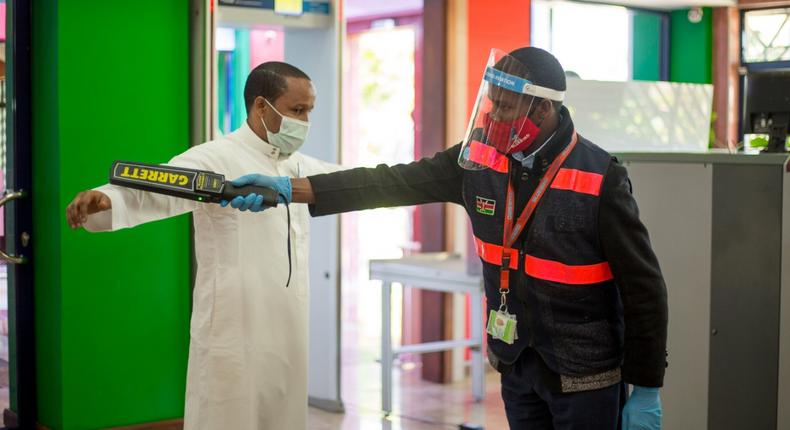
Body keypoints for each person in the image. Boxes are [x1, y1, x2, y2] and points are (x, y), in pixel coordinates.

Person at [229, 47, 668, 430]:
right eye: (491, 103)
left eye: (506, 108)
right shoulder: (476, 160)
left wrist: (647, 386)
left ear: (541, 111)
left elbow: (643, 288)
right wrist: (288, 191)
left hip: (585, 376)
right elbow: (391, 182)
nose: (492, 116)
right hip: (516, 365)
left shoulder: (600, 176)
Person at [65, 61, 340, 429]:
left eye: (308, 111)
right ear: (261, 106)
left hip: (288, 334)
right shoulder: (216, 157)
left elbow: (354, 180)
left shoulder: (299, 167)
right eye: (297, 110)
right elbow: (159, 188)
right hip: (232, 333)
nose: (304, 122)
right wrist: (107, 198)